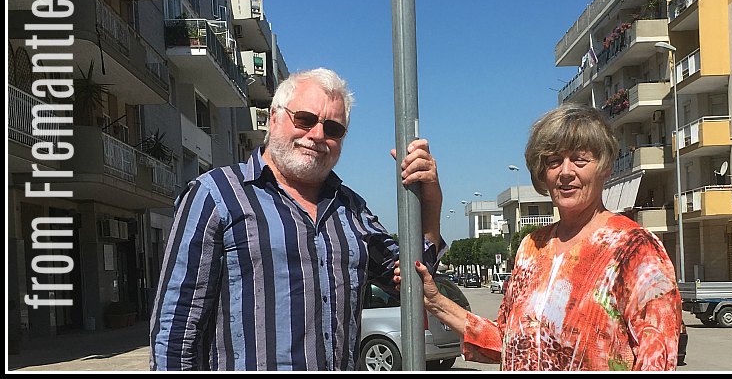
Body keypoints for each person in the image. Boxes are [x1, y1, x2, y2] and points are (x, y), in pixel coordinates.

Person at [150, 68, 443, 370]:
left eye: (333, 128)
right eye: (304, 119)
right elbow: (176, 329)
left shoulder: (352, 209)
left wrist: (431, 200)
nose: (317, 135)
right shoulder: (215, 195)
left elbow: (413, 278)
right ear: (274, 118)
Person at [415, 102, 681, 371]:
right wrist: (435, 301)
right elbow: (508, 342)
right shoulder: (531, 248)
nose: (565, 172)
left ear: (605, 167)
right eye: (554, 161)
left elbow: (656, 361)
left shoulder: (635, 249)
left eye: (579, 159)